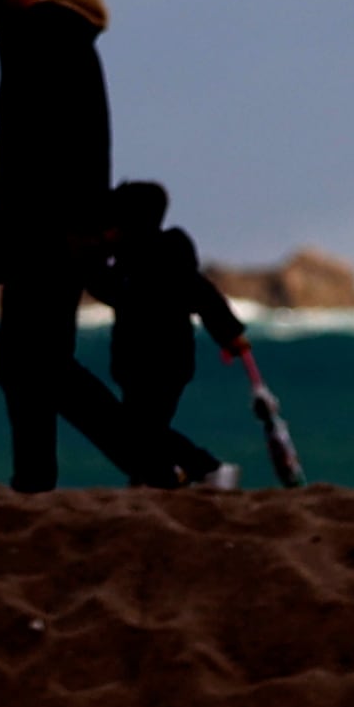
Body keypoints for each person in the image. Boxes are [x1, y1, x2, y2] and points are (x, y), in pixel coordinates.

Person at [0, 0, 168, 491]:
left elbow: (49, 153)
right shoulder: (47, 38)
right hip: (48, 232)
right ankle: (38, 481)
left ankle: (167, 464)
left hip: (51, 234)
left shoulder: (43, 39)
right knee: (28, 364)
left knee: (37, 364)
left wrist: (77, 231)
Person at [93, 179, 254, 491]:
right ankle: (156, 476)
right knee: (143, 426)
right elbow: (204, 296)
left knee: (143, 427)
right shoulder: (138, 259)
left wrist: (230, 334)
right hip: (143, 362)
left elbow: (202, 295)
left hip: (163, 361)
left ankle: (209, 468)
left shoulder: (154, 259)